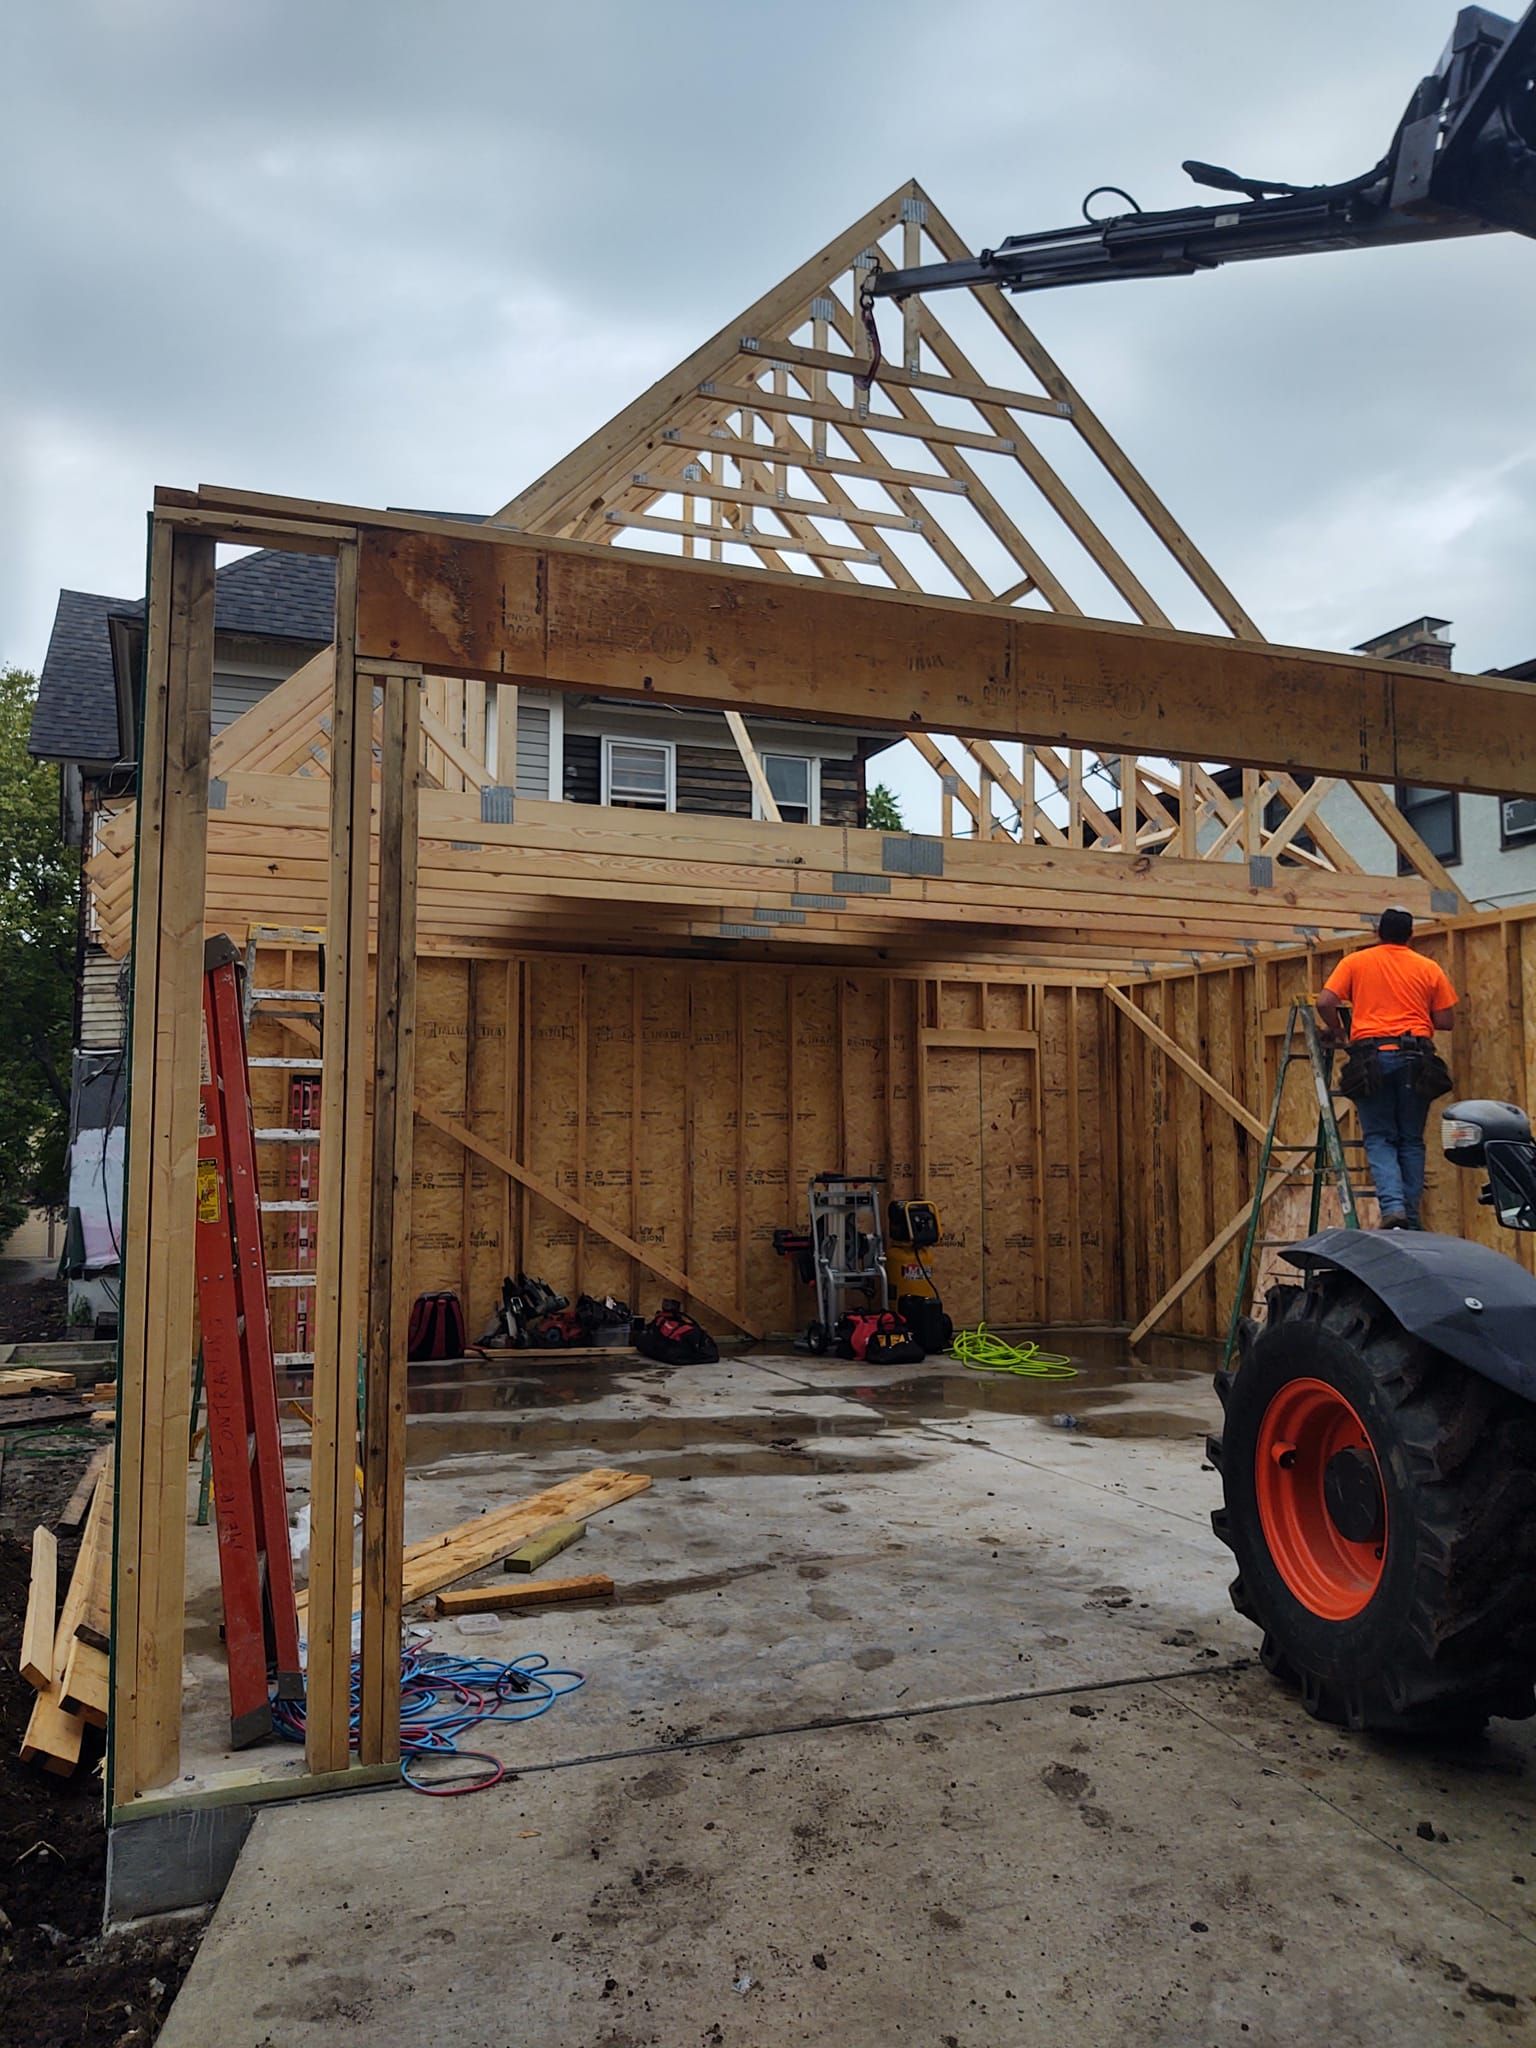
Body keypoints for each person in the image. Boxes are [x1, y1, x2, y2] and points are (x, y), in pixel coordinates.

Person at [1317, 908, 1457, 1231]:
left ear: (1378, 933)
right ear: (1410, 936)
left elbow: (1325, 1001)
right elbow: (1446, 1020)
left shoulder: (1356, 962)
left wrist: (1338, 1031)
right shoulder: (1428, 967)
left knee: (1380, 1136)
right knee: (1410, 1139)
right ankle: (1407, 1212)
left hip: (1372, 1058)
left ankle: (1393, 1209)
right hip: (1417, 1060)